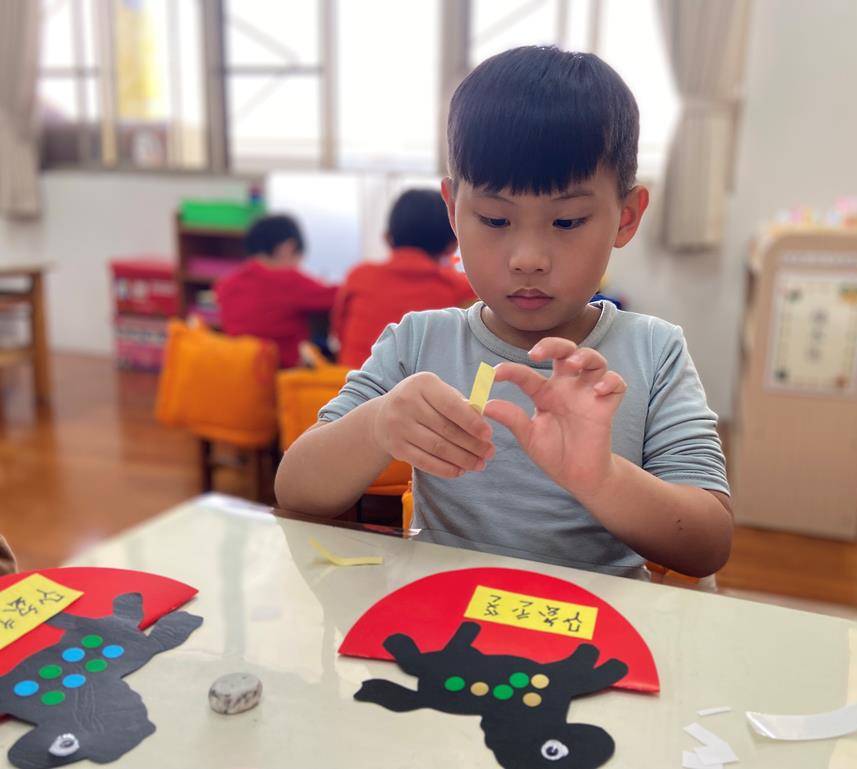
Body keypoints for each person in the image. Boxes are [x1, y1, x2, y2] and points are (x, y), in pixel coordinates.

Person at [276, 46, 731, 579]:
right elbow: (295, 491)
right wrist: (377, 424)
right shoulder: (417, 343)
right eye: (495, 219)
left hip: (591, 624)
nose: (528, 259)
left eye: (567, 222)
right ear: (453, 211)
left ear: (626, 218)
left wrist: (602, 478)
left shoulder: (654, 352)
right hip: (447, 613)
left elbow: (708, 544)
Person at [332, 189, 475, 368]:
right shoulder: (459, 289)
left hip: (351, 381)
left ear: (387, 237)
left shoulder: (359, 277)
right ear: (452, 244)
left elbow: (338, 334)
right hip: (424, 385)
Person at [215, 214, 337, 368]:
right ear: (287, 248)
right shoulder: (288, 280)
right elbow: (340, 296)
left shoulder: (226, 285)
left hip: (241, 371)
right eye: (298, 258)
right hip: (283, 374)